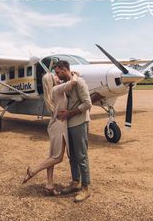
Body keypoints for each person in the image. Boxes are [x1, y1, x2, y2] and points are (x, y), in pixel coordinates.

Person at [22, 71, 78, 195]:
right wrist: (75, 74)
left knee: (52, 157)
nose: (58, 77)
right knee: (57, 157)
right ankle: (33, 171)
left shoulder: (53, 91)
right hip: (58, 126)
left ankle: (49, 185)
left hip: (56, 125)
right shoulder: (56, 89)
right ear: (52, 81)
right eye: (55, 76)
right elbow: (73, 82)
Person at [54, 60, 92, 203]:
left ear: (64, 69)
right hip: (68, 124)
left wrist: (69, 113)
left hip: (79, 123)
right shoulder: (67, 84)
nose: (56, 75)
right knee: (72, 156)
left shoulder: (80, 83)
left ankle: (86, 188)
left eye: (58, 72)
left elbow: (88, 103)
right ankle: (75, 182)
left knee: (81, 156)